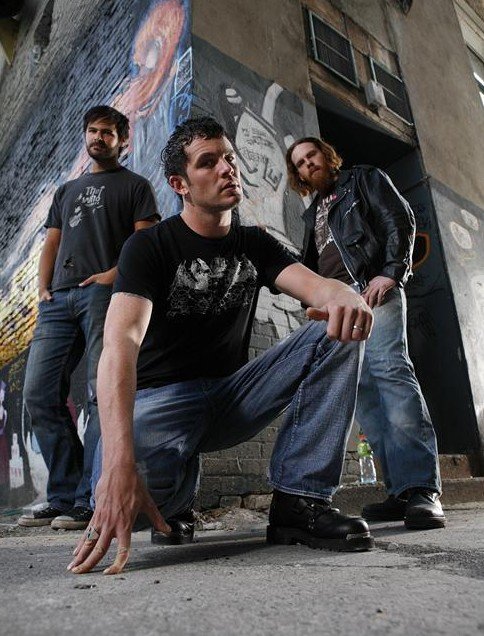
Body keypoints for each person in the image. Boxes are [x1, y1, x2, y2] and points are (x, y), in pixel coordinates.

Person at [67, 116, 374, 576]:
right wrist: (117, 464)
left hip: (231, 396)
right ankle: (176, 502)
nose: (227, 168)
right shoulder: (149, 246)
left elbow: (318, 288)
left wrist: (344, 295)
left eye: (229, 157)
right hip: (161, 400)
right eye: (208, 162)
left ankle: (299, 501)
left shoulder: (255, 243)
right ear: (180, 184)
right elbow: (120, 344)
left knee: (339, 328)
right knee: (118, 506)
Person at [286, 137, 445, 530]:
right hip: (337, 305)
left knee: (391, 373)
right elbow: (312, 266)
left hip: (371, 289)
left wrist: (391, 272)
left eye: (311, 155)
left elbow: (399, 218)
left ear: (326, 155)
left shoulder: (363, 180)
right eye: (300, 163)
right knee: (365, 394)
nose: (308, 165)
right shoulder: (312, 215)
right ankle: (400, 491)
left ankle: (422, 488)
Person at [18, 105, 160, 531]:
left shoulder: (135, 186)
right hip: (57, 300)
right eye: (93, 131)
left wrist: (112, 276)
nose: (99, 137)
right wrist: (42, 288)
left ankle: (89, 499)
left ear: (122, 140)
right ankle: (64, 496)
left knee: (104, 394)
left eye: (108, 132)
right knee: (38, 394)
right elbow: (52, 241)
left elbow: (145, 241)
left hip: (103, 296)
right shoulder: (67, 191)